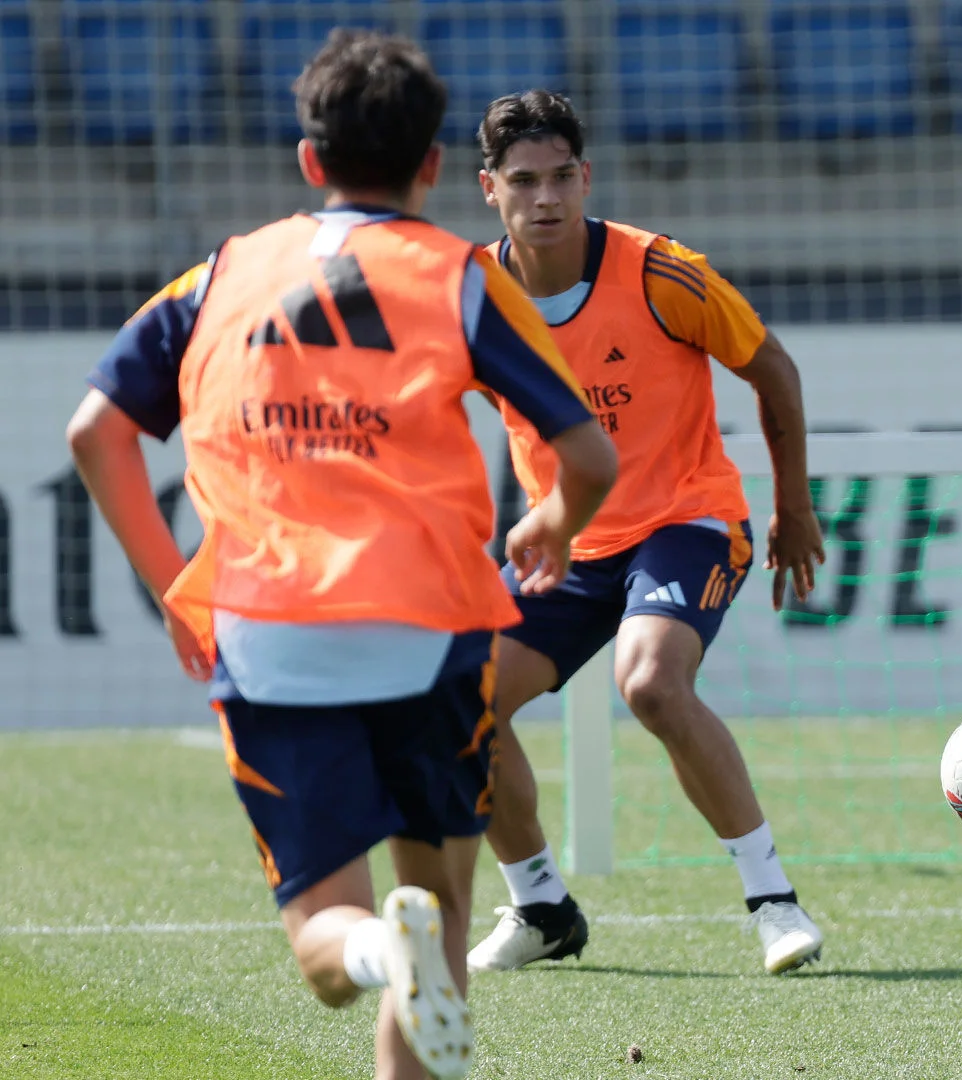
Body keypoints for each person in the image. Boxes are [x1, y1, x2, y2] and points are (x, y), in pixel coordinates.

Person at [64, 31, 617, 1079]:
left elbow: (96, 432)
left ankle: (371, 946)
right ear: (438, 167)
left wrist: (172, 591)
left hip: (272, 633)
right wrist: (555, 522)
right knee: (443, 913)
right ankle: (403, 955)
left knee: (333, 947)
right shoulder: (459, 276)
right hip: (433, 627)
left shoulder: (222, 273)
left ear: (311, 163)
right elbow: (589, 453)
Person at [460, 90, 829, 976]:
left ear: (585, 177)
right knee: (457, 704)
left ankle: (773, 901)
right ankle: (541, 907)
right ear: (489, 189)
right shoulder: (467, 295)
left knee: (652, 683)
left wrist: (793, 505)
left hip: (686, 518)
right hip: (567, 544)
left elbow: (770, 366)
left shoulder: (662, 273)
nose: (545, 198)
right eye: (523, 182)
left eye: (560, 178)